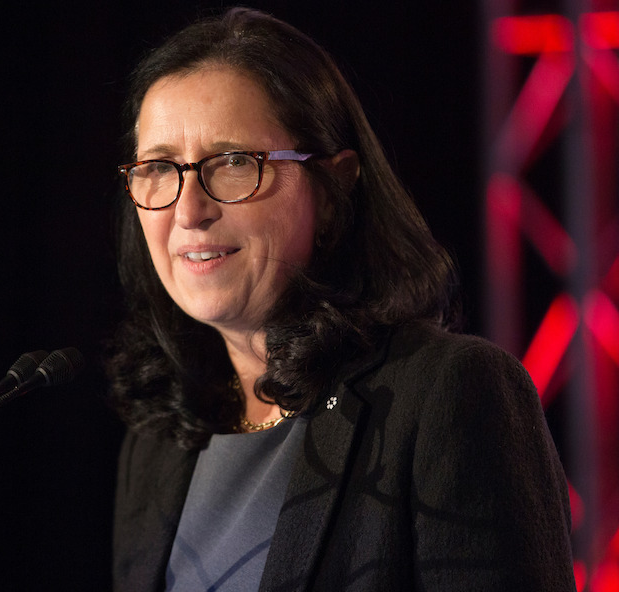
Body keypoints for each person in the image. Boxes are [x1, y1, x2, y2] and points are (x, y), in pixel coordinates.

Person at [106, 7, 575, 591]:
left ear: (331, 191)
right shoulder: (157, 443)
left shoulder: (450, 393)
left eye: (233, 163)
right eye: (158, 167)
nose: (188, 210)